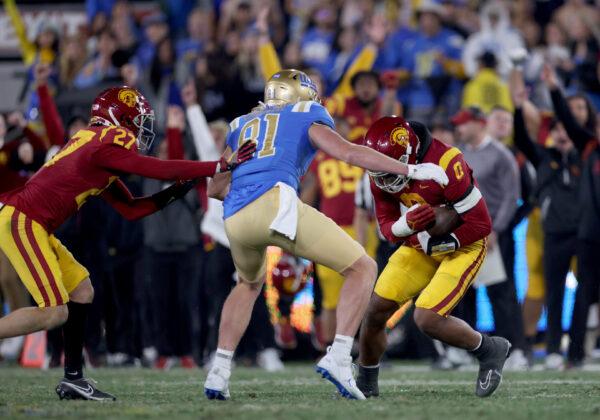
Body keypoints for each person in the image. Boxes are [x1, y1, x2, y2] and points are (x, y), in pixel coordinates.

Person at [203, 69, 449, 400]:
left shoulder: (242, 125)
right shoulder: (306, 114)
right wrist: (412, 169)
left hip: (235, 215)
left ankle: (218, 371)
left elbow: (216, 188)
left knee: (247, 285)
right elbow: (349, 153)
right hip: (275, 203)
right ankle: (339, 356)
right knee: (363, 268)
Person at [0, 86, 256, 400]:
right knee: (54, 311)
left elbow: (132, 209)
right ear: (118, 118)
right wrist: (214, 167)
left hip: (34, 223)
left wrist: (179, 189)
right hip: (24, 220)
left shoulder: (94, 146)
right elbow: (153, 167)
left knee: (81, 290)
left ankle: (74, 378)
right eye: (137, 120)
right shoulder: (106, 142)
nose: (141, 129)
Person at [356, 116, 510, 398]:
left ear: (409, 154)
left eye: (390, 171)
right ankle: (366, 381)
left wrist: (441, 242)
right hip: (421, 242)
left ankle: (489, 349)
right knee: (375, 310)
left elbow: (481, 224)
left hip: (465, 244)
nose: (385, 180)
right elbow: (388, 229)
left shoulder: (448, 162)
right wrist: (408, 226)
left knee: (427, 318)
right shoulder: (380, 168)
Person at [453, 106, 528, 369]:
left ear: (479, 123)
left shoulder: (500, 154)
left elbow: (511, 195)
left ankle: (515, 348)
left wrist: (496, 228)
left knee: (502, 292)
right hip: (466, 233)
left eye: (464, 123)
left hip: (495, 234)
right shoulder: (460, 154)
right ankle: (473, 350)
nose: (459, 128)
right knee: (464, 292)